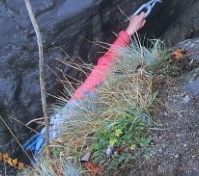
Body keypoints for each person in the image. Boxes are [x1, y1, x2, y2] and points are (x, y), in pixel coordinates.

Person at [24, 12, 147, 154]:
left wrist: (128, 32)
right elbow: (104, 68)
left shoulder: (77, 110)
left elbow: (104, 67)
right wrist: (128, 33)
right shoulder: (83, 105)